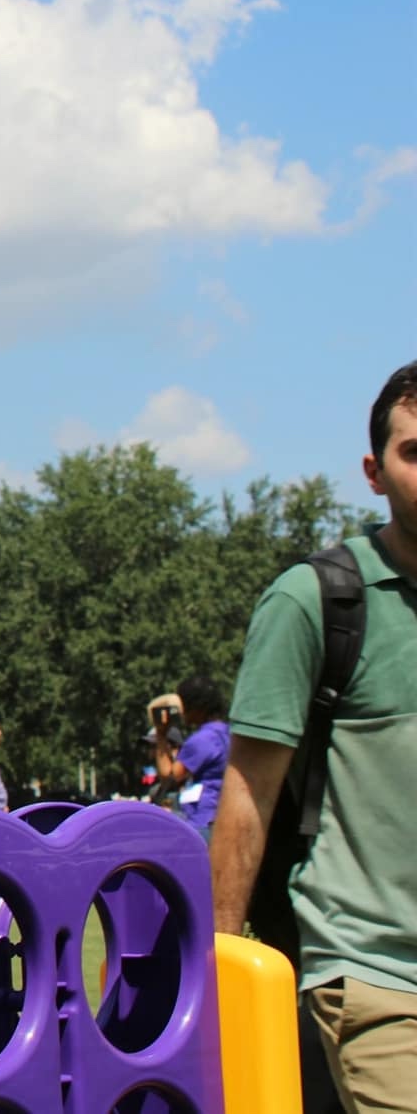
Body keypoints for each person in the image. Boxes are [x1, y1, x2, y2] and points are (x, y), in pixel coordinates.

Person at [212, 360, 417, 1113]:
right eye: (414, 453)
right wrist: (223, 974)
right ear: (374, 471)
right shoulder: (317, 601)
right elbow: (248, 796)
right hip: (376, 975)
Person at [150, 676, 228, 841]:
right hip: (221, 817)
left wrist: (161, 734)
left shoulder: (202, 739)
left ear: (197, 707)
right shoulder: (226, 733)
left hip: (202, 821)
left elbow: (169, 778)